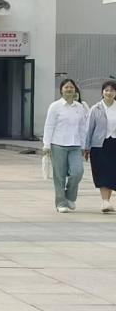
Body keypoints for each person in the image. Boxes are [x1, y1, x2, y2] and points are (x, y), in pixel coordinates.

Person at [43, 78, 90, 213]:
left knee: (78, 172)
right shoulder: (55, 106)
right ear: (61, 90)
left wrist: (84, 145)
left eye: (71, 87)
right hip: (58, 144)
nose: (69, 89)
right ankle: (61, 203)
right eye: (66, 87)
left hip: (75, 145)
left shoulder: (79, 107)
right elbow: (49, 126)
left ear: (75, 90)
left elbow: (83, 127)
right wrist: (46, 144)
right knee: (59, 175)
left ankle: (70, 196)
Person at [85, 80, 116, 213]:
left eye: (112, 90)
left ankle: (107, 201)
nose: (109, 93)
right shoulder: (95, 108)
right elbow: (89, 129)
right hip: (99, 145)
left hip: (114, 143)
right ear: (102, 92)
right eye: (106, 90)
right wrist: (86, 147)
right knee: (102, 172)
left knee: (112, 172)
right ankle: (105, 201)